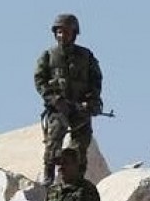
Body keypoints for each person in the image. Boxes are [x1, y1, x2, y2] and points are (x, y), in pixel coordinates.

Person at [34, 13, 104, 186]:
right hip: (59, 108)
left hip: (81, 107)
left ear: (74, 33)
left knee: (81, 143)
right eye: (58, 32)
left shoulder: (86, 56)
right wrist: (54, 99)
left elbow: (96, 80)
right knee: (54, 138)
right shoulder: (48, 56)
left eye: (65, 32)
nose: (62, 35)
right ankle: (49, 176)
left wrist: (92, 100)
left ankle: (77, 177)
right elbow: (39, 80)